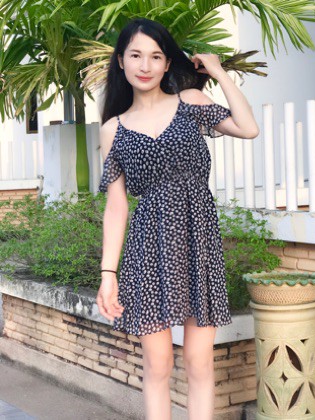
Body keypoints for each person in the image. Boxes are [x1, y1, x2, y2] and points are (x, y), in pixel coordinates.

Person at [96, 18, 259, 420]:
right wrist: (108, 273)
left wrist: (218, 72)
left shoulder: (190, 102)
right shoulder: (113, 129)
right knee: (158, 364)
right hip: (148, 250)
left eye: (156, 57)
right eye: (136, 55)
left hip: (198, 243)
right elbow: (117, 206)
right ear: (121, 61)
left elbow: (248, 128)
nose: (145, 65)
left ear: (168, 63)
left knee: (199, 362)